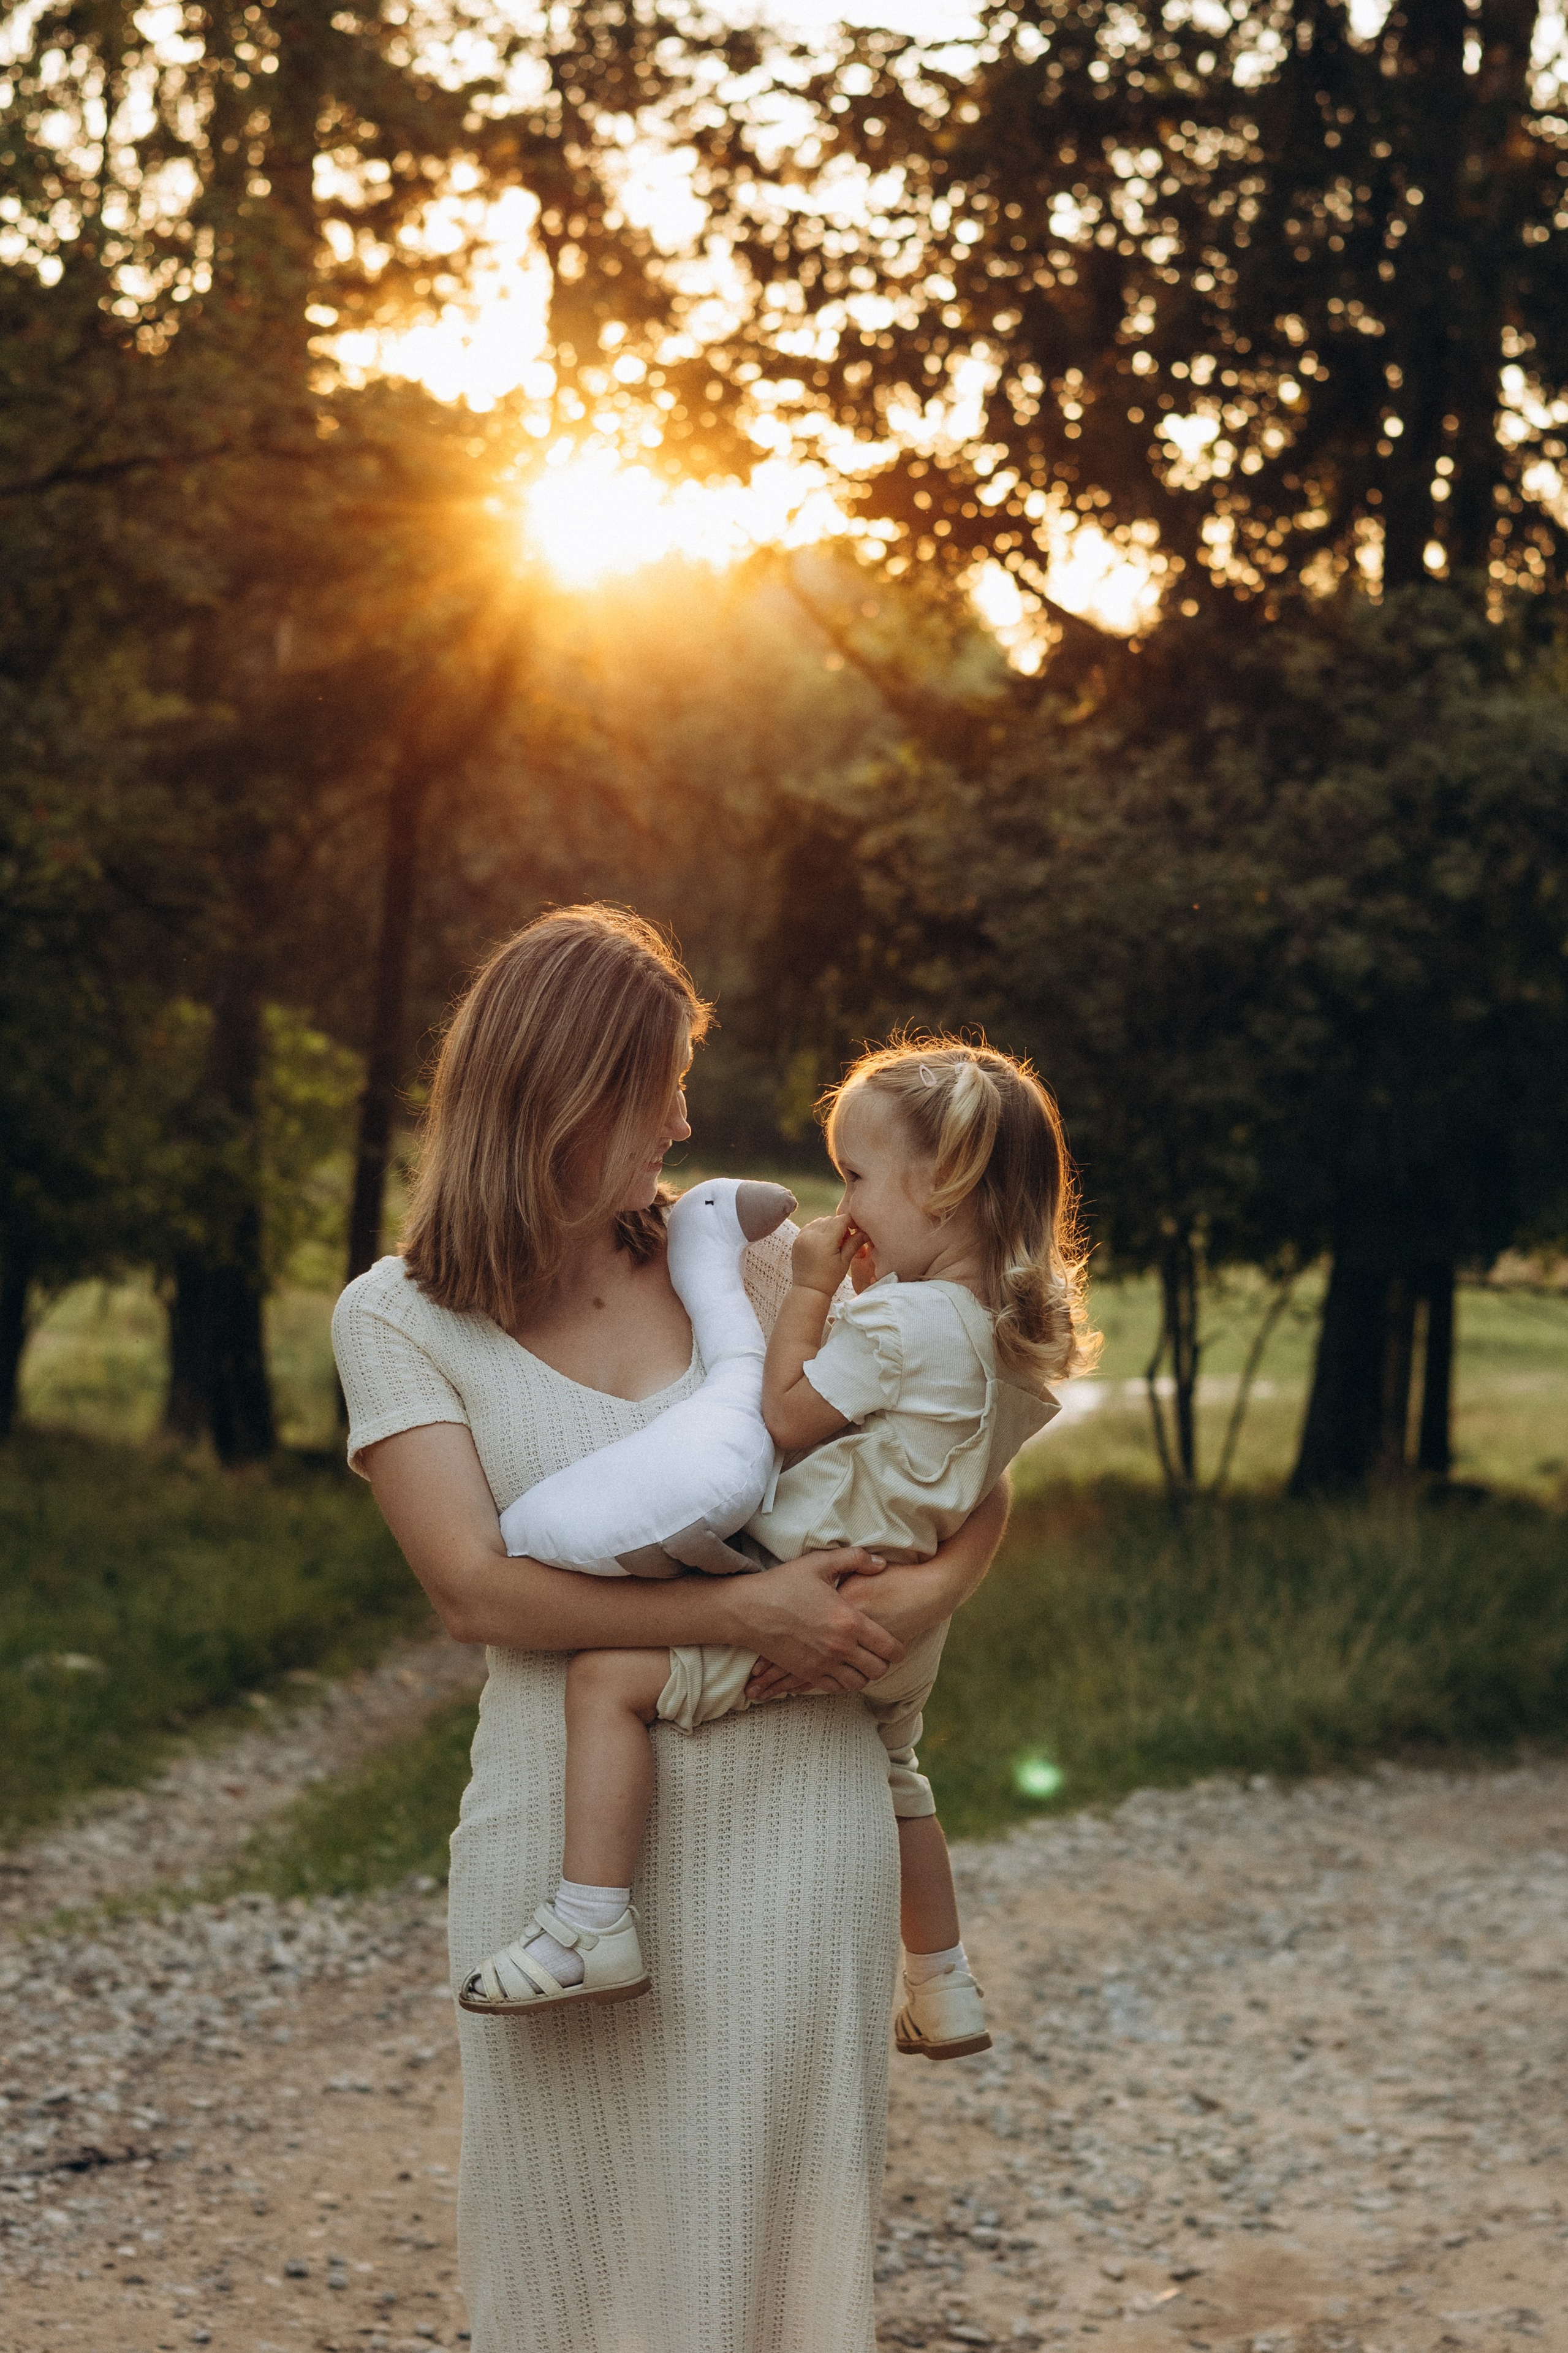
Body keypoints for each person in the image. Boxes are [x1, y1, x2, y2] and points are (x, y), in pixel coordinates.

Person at [331, 905, 1010, 2353]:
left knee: (767, 2261)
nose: (689, 1118)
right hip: (563, 1853)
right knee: (558, 2260)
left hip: (798, 1826)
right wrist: (744, 1605)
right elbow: (470, 1588)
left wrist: (921, 1600)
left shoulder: (756, 1265)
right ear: (570, 1091)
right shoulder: (395, 1318)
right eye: (662, 1084)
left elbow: (969, 1452)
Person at [461, 1039, 1094, 2068]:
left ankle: (588, 1923)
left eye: (854, 1177)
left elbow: (786, 1416)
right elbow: (982, 1485)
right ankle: (943, 1982)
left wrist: (807, 1290)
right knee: (903, 1777)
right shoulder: (1019, 1342)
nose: (840, 1205)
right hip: (904, 1621)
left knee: (606, 1679)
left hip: (807, 1578)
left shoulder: (897, 1321)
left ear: (941, 1187)